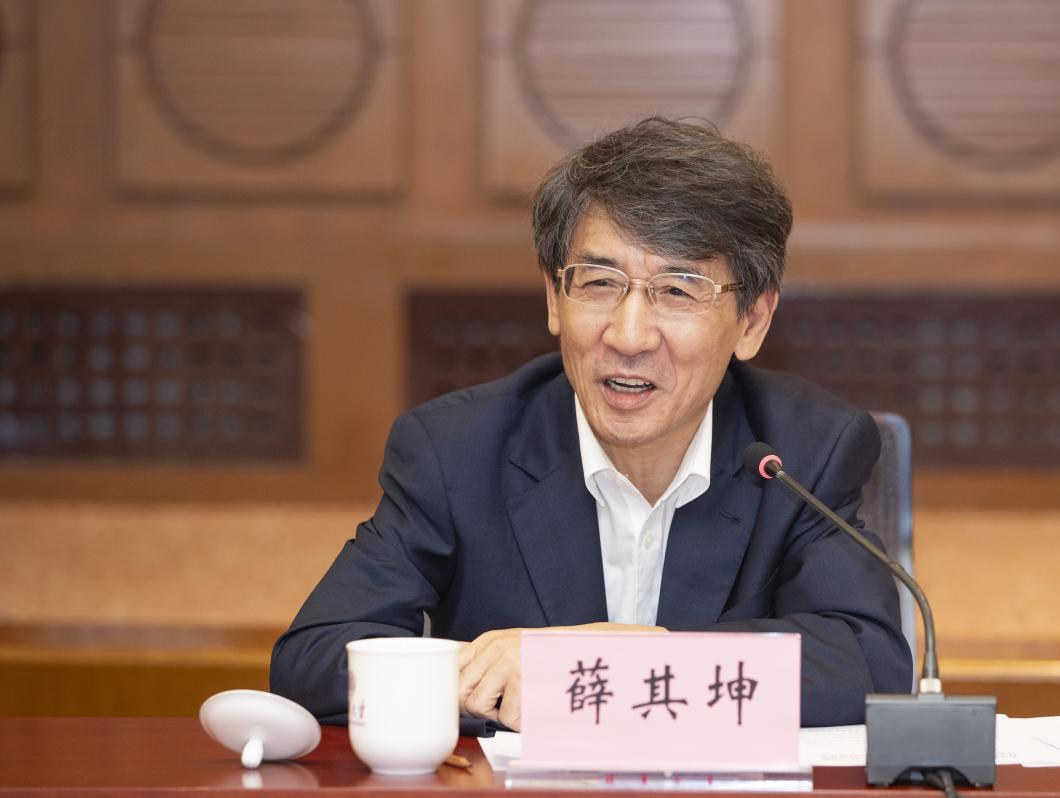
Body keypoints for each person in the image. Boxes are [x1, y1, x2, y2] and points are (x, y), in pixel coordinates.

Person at [270, 117, 911, 730]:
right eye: (600, 283)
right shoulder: (456, 450)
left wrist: (601, 666)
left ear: (753, 321)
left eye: (677, 290)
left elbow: (866, 660)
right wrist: (491, 677)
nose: (629, 336)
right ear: (555, 298)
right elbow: (314, 658)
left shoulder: (805, 452)